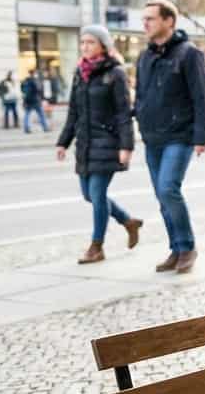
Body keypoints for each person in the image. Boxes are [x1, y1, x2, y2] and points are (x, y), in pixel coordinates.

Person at [56, 25, 143, 265]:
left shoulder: (115, 73)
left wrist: (126, 146)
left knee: (97, 193)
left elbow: (123, 112)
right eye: (82, 43)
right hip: (85, 144)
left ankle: (96, 246)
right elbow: (74, 112)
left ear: (103, 46)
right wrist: (63, 142)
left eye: (91, 42)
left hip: (108, 143)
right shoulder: (80, 73)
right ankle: (128, 221)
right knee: (89, 195)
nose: (85, 47)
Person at [136, 0, 205, 274]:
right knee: (161, 195)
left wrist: (201, 136)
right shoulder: (145, 56)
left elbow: (201, 97)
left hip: (179, 135)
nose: (145, 24)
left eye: (151, 19)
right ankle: (175, 248)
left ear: (169, 21)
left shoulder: (188, 54)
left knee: (168, 188)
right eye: (144, 19)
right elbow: (141, 95)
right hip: (152, 137)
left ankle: (188, 246)